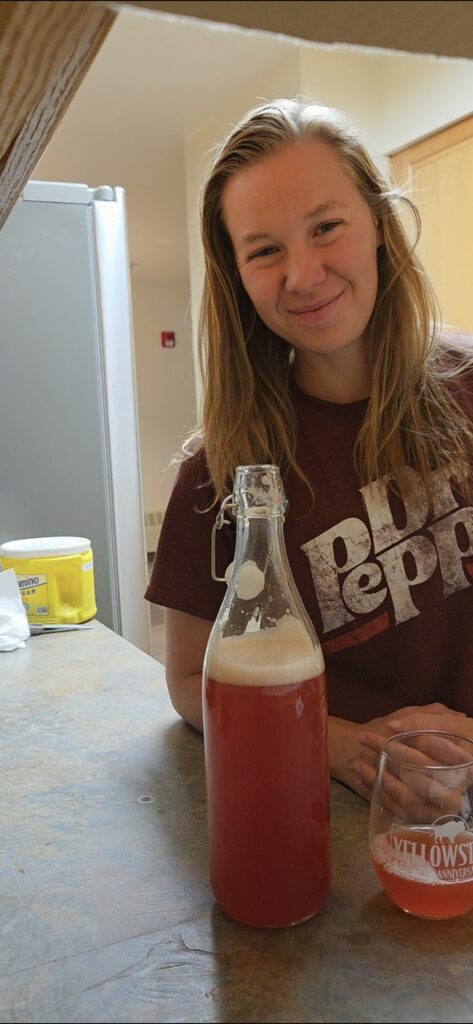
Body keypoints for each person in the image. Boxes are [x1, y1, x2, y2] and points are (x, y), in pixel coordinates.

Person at [146, 98, 473, 802]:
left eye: (325, 227)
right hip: (335, 826)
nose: (302, 274)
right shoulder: (217, 474)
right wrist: (342, 745)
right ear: (236, 275)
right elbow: (184, 682)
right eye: (264, 250)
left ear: (380, 226)